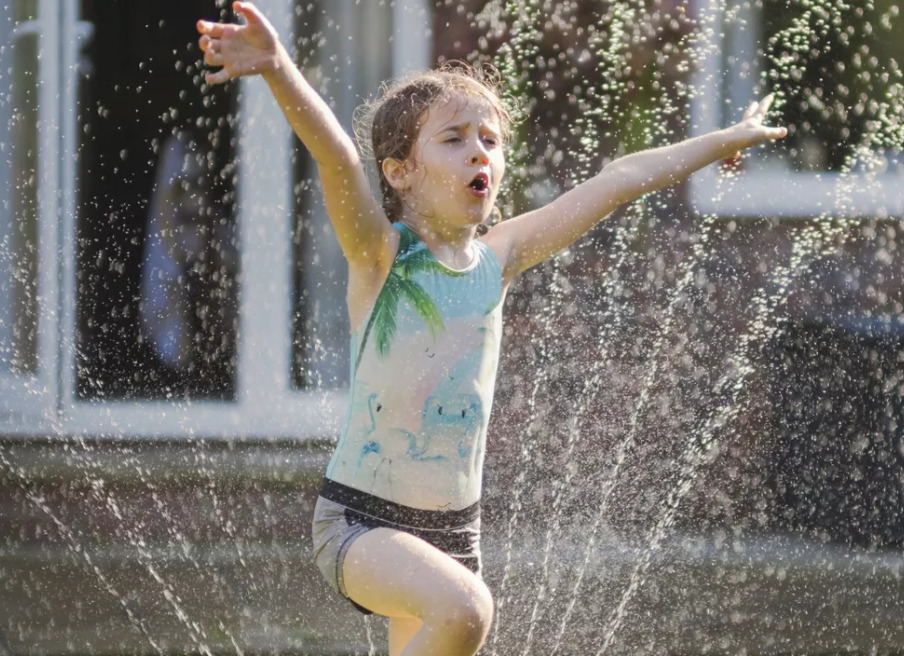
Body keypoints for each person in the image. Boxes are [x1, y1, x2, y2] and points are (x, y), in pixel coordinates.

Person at [197, 3, 786, 655]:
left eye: (489, 139)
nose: (478, 149)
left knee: (453, 623)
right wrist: (278, 69)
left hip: (453, 531)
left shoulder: (500, 257)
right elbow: (337, 157)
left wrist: (719, 143)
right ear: (400, 171)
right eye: (452, 138)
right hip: (359, 523)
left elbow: (619, 181)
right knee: (469, 611)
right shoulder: (382, 258)